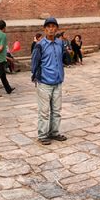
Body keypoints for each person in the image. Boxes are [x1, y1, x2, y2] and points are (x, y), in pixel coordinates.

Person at [31, 17, 67, 146]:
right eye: (48, 27)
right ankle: (42, 135)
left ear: (56, 28)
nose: (51, 29)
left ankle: (54, 132)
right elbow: (35, 62)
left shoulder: (59, 43)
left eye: (53, 26)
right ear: (45, 29)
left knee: (56, 110)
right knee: (44, 111)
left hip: (57, 81)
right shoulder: (40, 45)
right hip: (45, 82)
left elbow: (62, 58)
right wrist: (35, 76)